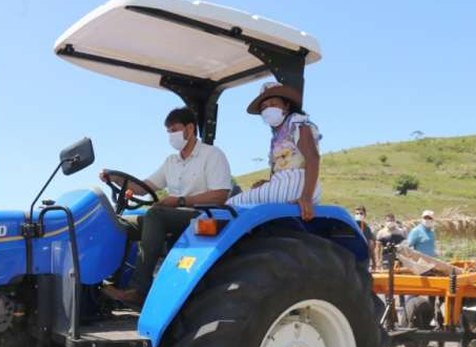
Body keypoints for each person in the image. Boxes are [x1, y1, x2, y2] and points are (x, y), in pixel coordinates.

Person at [100, 107, 232, 305]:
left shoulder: (211, 155)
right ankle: (106, 284)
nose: (171, 135)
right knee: (118, 222)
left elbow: (220, 195)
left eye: (174, 129)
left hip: (201, 216)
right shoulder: (171, 161)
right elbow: (143, 188)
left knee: (155, 214)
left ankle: (139, 289)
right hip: (171, 216)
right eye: (168, 131)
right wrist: (116, 179)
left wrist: (179, 201)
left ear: (190, 128)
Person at [228, 81, 321, 221]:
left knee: (231, 205)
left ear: (286, 105)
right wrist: (268, 183)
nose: (268, 109)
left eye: (273, 104)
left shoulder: (296, 122)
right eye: (264, 107)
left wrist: (306, 197)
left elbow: (313, 158)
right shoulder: (277, 137)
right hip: (286, 183)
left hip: (299, 183)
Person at [354, 205, 377, 269]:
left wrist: (374, 262)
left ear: (365, 215)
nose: (359, 215)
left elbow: (371, 246)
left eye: (361, 213)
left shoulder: (367, 229)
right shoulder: (351, 227)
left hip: (364, 259)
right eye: (357, 213)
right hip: (352, 258)